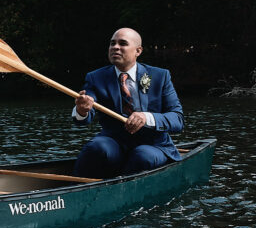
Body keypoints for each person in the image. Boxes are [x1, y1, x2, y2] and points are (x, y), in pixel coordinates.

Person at [72, 27, 184, 178]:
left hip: (153, 146)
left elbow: (177, 119)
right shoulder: (96, 77)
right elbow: (83, 118)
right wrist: (82, 110)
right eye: (112, 43)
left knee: (143, 155)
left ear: (138, 51)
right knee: (97, 147)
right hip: (114, 144)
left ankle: (118, 188)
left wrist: (146, 117)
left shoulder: (160, 76)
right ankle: (75, 187)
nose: (115, 47)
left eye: (122, 43)